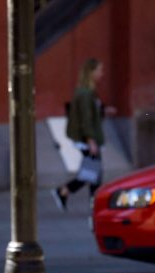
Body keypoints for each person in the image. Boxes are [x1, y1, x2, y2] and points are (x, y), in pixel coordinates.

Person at [51, 57, 112, 212]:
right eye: (99, 70)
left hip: (89, 138)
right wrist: (90, 140)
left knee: (92, 172)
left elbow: (92, 114)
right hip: (87, 139)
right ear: (91, 72)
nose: (101, 73)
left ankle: (65, 192)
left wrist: (104, 110)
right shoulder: (85, 93)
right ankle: (70, 194)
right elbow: (86, 118)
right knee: (93, 173)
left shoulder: (88, 92)